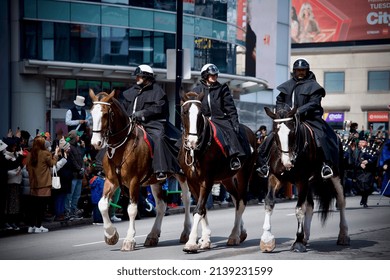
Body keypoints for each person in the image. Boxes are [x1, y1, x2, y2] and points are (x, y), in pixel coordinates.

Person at [257, 58, 339, 179]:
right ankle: (265, 164)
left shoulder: (314, 86)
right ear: (294, 71)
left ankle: (325, 165)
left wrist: (298, 111)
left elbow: (314, 103)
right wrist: (282, 112)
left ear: (307, 71)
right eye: (298, 70)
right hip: (288, 119)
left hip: (309, 118)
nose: (300, 72)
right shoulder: (288, 85)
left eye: (303, 70)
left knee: (321, 136)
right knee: (272, 136)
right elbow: (279, 100)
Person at [121, 64, 181, 180]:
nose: (136, 78)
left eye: (139, 76)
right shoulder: (131, 91)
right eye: (136, 76)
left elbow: (158, 108)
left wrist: (141, 114)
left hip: (152, 123)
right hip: (130, 123)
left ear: (147, 77)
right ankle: (100, 165)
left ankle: (160, 169)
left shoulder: (158, 91)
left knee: (159, 137)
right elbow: (124, 107)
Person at [192, 63, 249, 170]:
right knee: (188, 134)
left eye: (215, 75)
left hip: (219, 119)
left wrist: (235, 123)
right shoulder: (196, 90)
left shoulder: (222, 89)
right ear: (205, 76)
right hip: (202, 120)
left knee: (230, 131)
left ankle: (234, 157)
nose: (214, 77)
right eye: (211, 75)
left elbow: (230, 108)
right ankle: (180, 160)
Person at [26, 135, 60, 233]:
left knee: (33, 206)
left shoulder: (30, 154)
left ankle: (31, 226)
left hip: (33, 183)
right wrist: (56, 154)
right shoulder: (45, 153)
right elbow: (53, 163)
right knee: (41, 206)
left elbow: (27, 168)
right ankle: (38, 226)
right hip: (44, 183)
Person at [64, 130, 85, 220]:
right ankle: (67, 212)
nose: (79, 137)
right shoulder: (69, 147)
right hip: (73, 175)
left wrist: (82, 168)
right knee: (70, 195)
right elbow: (72, 160)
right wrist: (79, 168)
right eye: (77, 136)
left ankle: (73, 212)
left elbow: (82, 159)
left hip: (79, 175)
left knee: (76, 195)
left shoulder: (78, 147)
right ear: (74, 137)